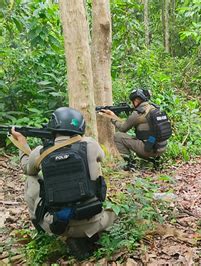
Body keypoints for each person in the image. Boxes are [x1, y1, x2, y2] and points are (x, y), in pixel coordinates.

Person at [10, 107, 115, 259]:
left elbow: (27, 168)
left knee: (32, 178)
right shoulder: (90, 144)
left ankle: (41, 227)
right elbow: (102, 157)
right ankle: (90, 237)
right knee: (95, 170)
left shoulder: (40, 152)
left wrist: (21, 142)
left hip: (57, 225)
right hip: (94, 220)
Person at [100, 88, 169, 169]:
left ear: (136, 100)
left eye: (133, 101)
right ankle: (151, 161)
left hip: (149, 149)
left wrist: (112, 116)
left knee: (118, 136)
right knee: (143, 138)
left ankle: (129, 163)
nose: (132, 104)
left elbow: (123, 128)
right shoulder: (154, 108)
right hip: (161, 148)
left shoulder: (139, 112)